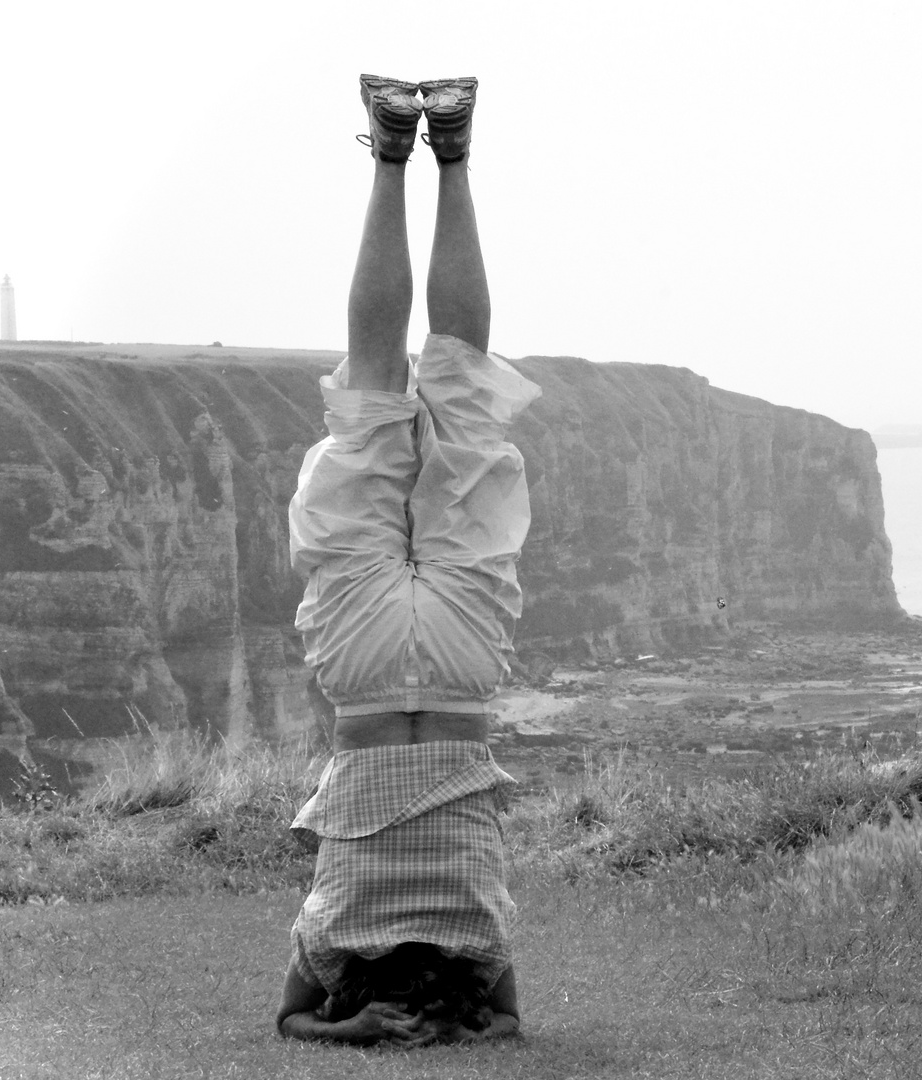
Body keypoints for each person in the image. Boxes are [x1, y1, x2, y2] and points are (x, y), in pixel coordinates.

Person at [274, 73, 537, 1047]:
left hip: (455, 677)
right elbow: (295, 1018)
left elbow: (502, 1025)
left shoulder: (479, 933)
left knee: (457, 385)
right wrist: (363, 1023)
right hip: (371, 674)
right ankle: (404, 149)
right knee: (384, 390)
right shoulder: (333, 930)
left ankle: (443, 148)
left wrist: (397, 1027)